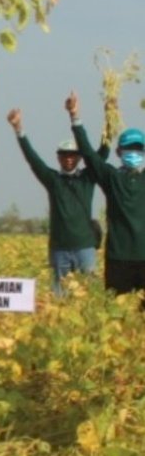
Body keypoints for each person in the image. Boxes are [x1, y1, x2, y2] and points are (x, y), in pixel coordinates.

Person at [7, 107, 108, 295]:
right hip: (59, 249)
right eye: (64, 155)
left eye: (72, 155)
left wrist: (110, 119)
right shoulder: (53, 180)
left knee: (88, 297)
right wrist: (19, 130)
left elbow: (102, 154)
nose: (68, 159)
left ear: (79, 158)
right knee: (59, 298)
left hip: (85, 248)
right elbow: (32, 159)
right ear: (58, 157)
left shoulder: (88, 178)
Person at [65, 91, 145, 301]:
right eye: (129, 149)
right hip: (118, 259)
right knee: (115, 316)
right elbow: (90, 155)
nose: (134, 153)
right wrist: (75, 117)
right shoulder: (112, 177)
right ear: (119, 153)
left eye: (138, 149)